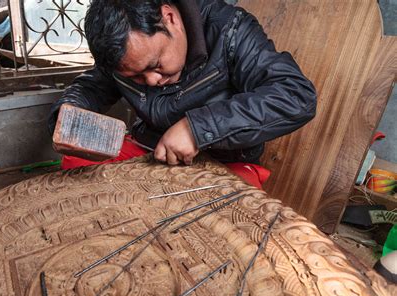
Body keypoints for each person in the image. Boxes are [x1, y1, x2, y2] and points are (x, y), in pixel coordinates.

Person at [49, 0, 316, 183]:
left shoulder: (230, 30)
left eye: (155, 65)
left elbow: (295, 95)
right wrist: (70, 110)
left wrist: (197, 129)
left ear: (170, 18)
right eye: (136, 76)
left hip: (225, 160)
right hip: (150, 149)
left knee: (231, 223)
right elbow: (93, 85)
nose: (152, 80)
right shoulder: (124, 54)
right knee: (77, 168)